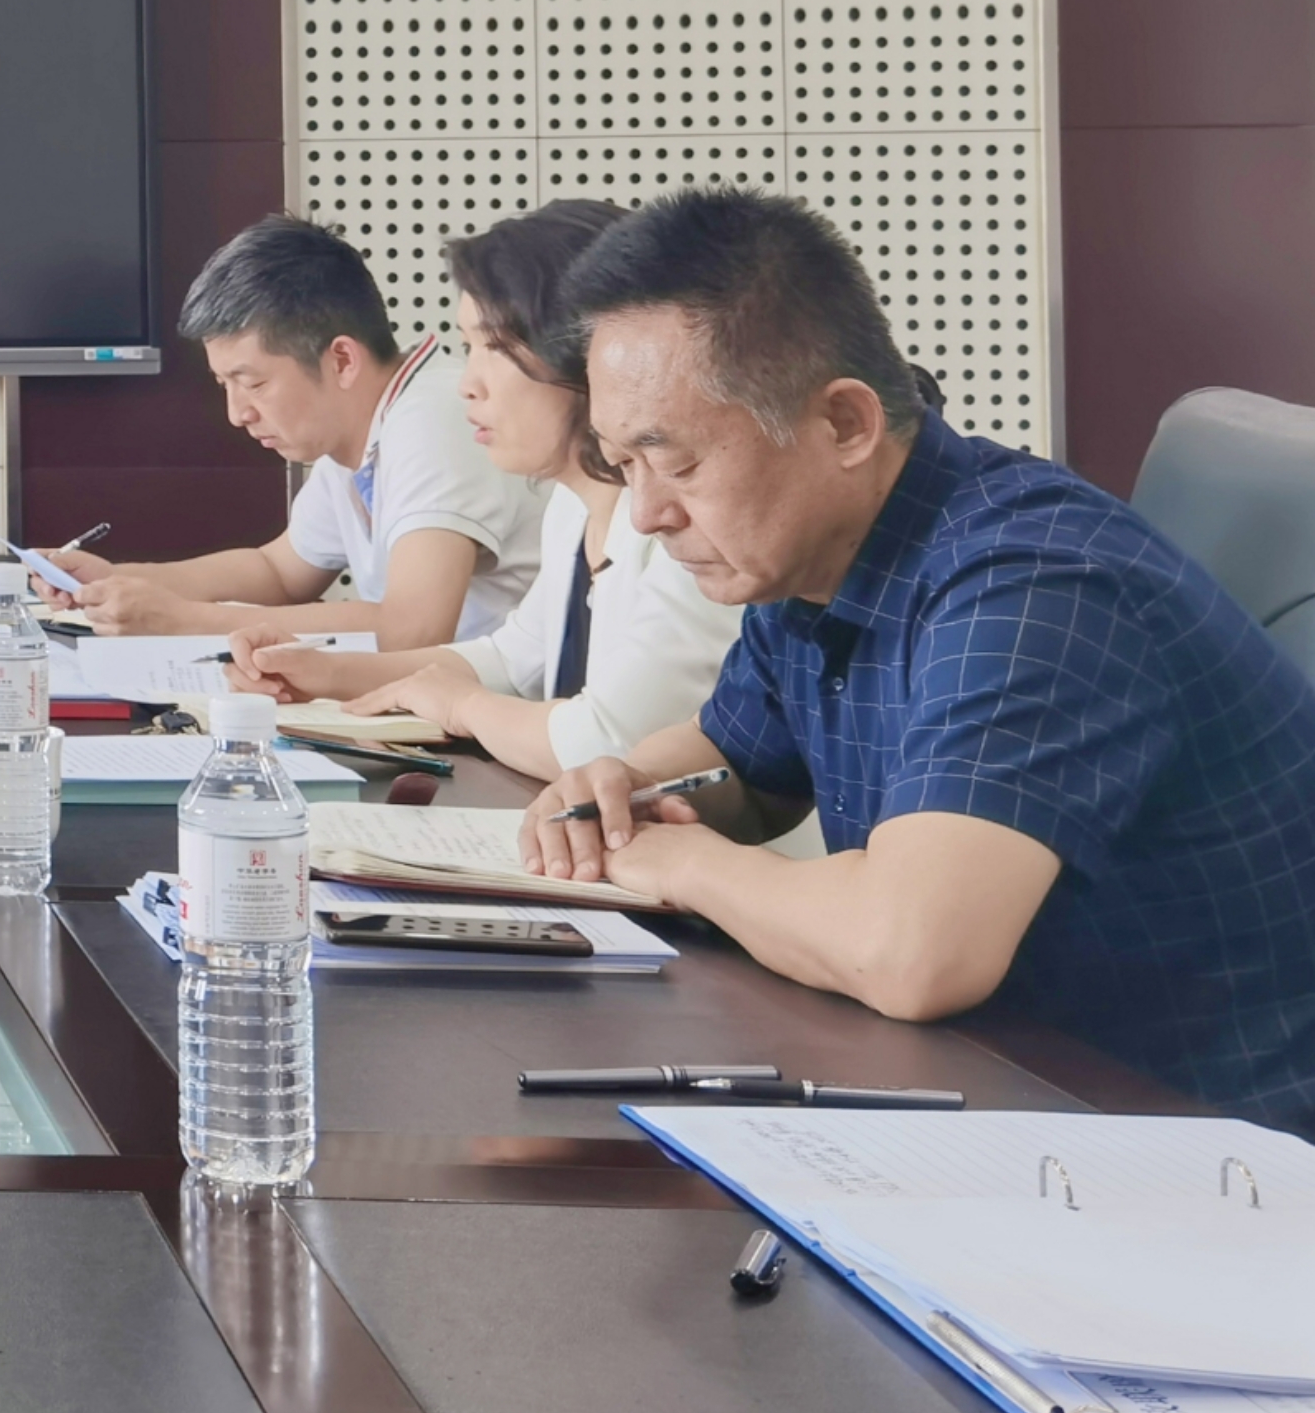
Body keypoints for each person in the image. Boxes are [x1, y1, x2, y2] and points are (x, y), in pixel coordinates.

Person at [523, 190, 1315, 1128]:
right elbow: (741, 763)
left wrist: (679, 861)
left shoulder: (1032, 582)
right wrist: (620, 788)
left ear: (845, 424)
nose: (649, 513)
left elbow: (914, 952)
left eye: (679, 463)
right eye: (624, 465)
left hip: (1212, 1146)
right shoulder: (811, 557)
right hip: (1012, 1089)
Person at [235, 201, 743, 780]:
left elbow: (603, 742)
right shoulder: (572, 506)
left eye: (496, 349)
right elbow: (509, 659)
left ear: (592, 354)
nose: (469, 385)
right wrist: (324, 673)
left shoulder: (681, 524)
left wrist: (463, 707)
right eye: (468, 348)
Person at [46, 214, 543, 647]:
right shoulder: (360, 431)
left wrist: (187, 621)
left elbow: (412, 629)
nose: (237, 414)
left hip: (496, 713)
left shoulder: (434, 419)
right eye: (223, 385)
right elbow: (279, 573)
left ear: (342, 360)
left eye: (254, 384)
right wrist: (115, 580)